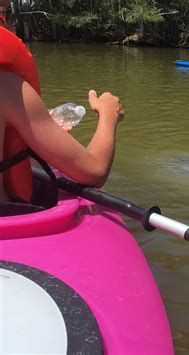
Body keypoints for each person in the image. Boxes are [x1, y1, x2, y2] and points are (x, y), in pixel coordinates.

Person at [0, 0, 124, 207]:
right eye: (7, 16)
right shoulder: (7, 87)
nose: (14, 28)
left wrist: (31, 124)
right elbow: (94, 171)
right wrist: (108, 115)